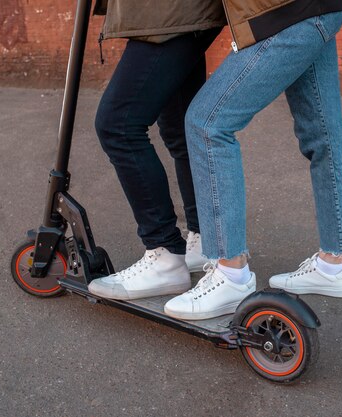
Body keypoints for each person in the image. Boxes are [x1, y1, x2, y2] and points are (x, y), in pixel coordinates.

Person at [164, 0, 342, 320]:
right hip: (319, 8)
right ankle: (332, 265)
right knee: (324, 136)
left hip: (282, 12)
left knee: (207, 123)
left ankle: (230, 274)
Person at [87, 0, 225, 300]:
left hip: (170, 13)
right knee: (180, 128)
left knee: (117, 125)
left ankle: (164, 256)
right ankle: (203, 241)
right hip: (183, 14)